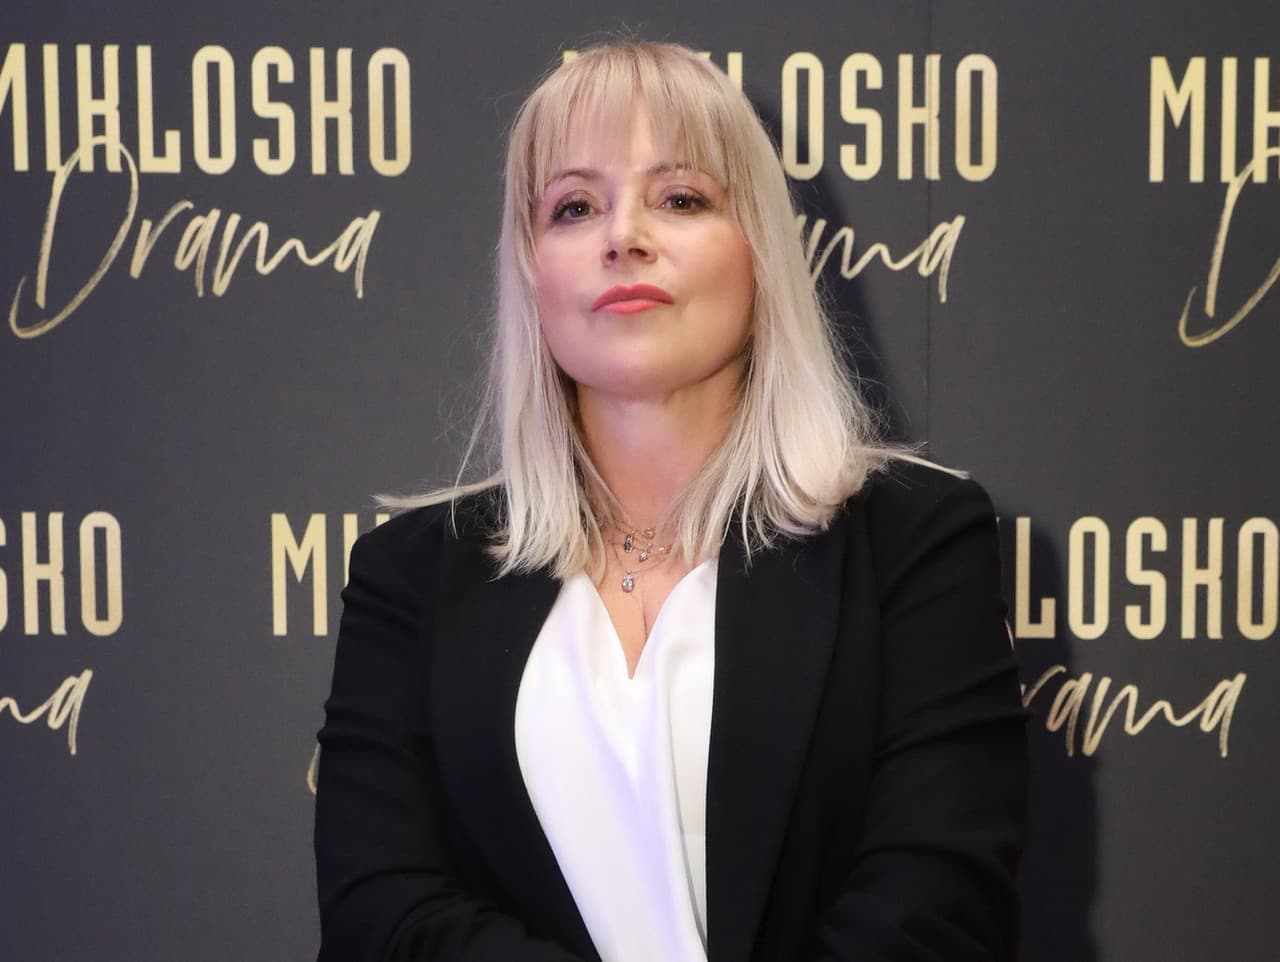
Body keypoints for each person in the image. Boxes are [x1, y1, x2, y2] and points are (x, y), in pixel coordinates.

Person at [314, 40, 1028, 962]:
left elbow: (937, 911)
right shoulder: (410, 573)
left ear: (760, 249)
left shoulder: (914, 541)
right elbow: (381, 915)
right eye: (574, 207)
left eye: (681, 198)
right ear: (531, 268)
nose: (623, 237)